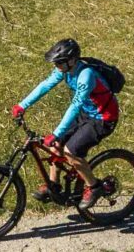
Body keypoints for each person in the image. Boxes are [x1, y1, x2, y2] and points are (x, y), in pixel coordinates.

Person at [12, 37, 120, 204]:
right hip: (87, 112)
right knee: (55, 146)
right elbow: (45, 85)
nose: (56, 67)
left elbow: (75, 105)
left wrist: (56, 133)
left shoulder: (86, 75)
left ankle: (94, 187)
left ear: (71, 60)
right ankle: (53, 185)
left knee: (70, 151)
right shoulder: (65, 70)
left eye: (59, 63)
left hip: (103, 119)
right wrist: (22, 105)